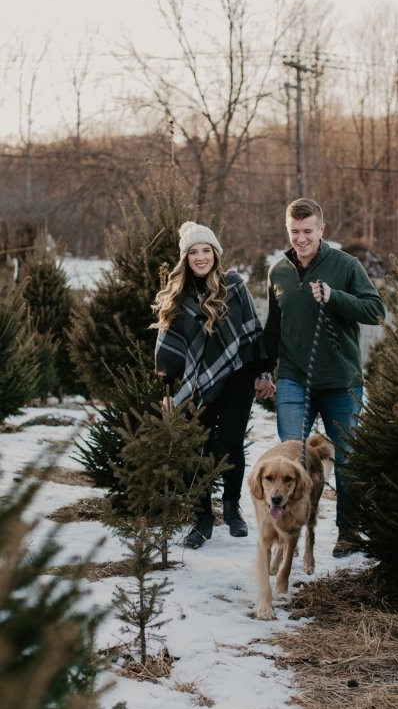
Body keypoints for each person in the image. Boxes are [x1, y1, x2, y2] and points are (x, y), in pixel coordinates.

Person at [263, 197, 386, 558]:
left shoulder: (346, 266)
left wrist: (334, 297)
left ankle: (348, 531)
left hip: (341, 381)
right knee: (290, 461)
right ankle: (290, 531)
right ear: (288, 230)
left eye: (308, 231)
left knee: (346, 458)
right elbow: (273, 327)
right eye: (294, 231)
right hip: (293, 380)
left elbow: (375, 311)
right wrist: (263, 369)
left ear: (321, 230)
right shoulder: (278, 272)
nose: (301, 238)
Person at [152, 221, 275, 548]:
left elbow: (252, 333)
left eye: (206, 250)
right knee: (200, 446)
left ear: (216, 254)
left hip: (237, 377)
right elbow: (168, 349)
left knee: (231, 441)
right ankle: (202, 516)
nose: (201, 257)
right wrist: (170, 393)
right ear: (186, 258)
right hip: (196, 386)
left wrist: (263, 373)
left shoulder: (234, 285)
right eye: (194, 252)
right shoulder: (178, 295)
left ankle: (233, 508)